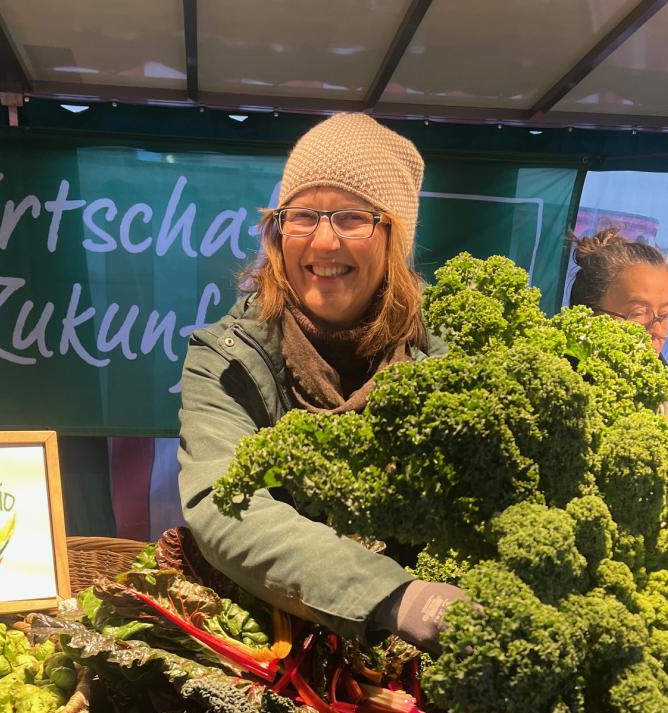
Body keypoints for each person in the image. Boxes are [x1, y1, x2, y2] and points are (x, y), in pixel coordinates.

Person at [178, 113, 464, 653]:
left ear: (393, 238)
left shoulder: (443, 361)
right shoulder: (226, 359)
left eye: (352, 217)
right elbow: (224, 506)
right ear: (278, 230)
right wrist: (393, 595)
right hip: (275, 636)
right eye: (304, 216)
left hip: (413, 656)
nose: (325, 242)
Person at [569, 227, 668, 422]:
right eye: (639, 313)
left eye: (665, 315)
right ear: (588, 316)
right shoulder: (550, 389)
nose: (657, 331)